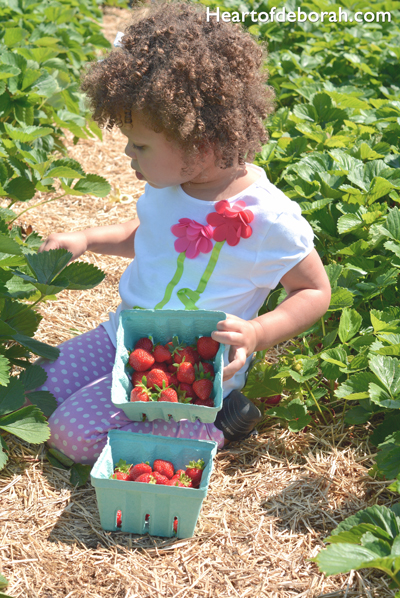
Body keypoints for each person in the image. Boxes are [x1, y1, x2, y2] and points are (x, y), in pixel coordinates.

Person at [35, 2, 331, 465]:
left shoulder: (270, 217)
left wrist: (256, 331)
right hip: (125, 340)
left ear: (200, 144)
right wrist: (89, 238)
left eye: (140, 144)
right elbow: (148, 235)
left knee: (70, 437)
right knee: (35, 391)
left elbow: (313, 290)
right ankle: (156, 423)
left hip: (190, 368)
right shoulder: (171, 184)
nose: (129, 154)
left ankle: (210, 428)